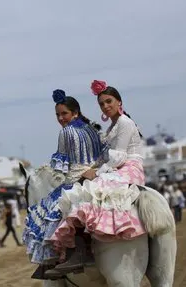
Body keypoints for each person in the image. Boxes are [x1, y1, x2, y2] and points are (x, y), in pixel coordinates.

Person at [46, 80, 147, 277]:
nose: (105, 106)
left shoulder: (124, 123)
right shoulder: (109, 127)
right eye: (102, 104)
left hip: (128, 167)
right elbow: (105, 155)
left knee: (83, 195)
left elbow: (119, 156)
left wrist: (97, 172)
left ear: (119, 102)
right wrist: (95, 167)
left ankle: (77, 251)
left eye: (109, 101)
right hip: (117, 166)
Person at [23, 89, 105, 280]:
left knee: (46, 213)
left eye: (64, 114)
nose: (61, 118)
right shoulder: (92, 128)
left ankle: (59, 258)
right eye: (57, 115)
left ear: (75, 112)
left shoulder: (66, 132)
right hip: (98, 175)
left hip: (76, 178)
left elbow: (61, 167)